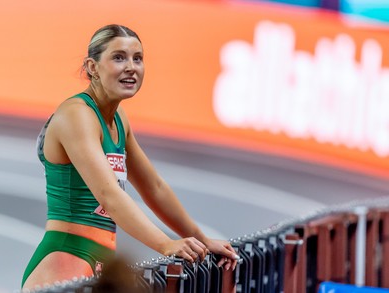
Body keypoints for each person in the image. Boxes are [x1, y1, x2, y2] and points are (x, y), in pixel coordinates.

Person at [21, 24, 239, 290]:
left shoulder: (118, 119)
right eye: (119, 57)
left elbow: (154, 187)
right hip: (67, 257)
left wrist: (200, 239)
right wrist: (165, 244)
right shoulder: (76, 115)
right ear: (92, 67)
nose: (131, 67)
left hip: (100, 257)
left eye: (138, 58)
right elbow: (110, 196)